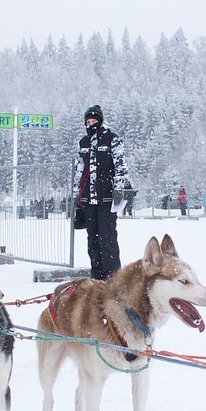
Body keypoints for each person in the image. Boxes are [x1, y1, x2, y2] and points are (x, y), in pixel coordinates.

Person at [75, 104, 128, 280]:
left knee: (108, 239)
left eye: (94, 121)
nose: (91, 124)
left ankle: (113, 278)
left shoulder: (112, 139)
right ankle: (97, 277)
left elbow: (121, 167)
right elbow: (79, 171)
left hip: (106, 198)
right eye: (88, 122)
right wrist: (77, 197)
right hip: (88, 200)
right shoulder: (83, 142)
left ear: (101, 120)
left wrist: (118, 191)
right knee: (93, 241)